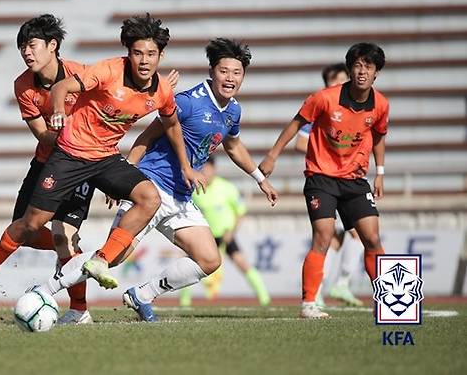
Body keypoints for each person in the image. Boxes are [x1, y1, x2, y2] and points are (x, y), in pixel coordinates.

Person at [35, 38, 278, 322]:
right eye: (224, 71)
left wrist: (259, 178)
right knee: (112, 257)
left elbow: (234, 146)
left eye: (236, 73)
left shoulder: (233, 110)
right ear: (212, 72)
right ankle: (44, 291)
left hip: (181, 197)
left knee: (210, 259)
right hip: (151, 188)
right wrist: (122, 180)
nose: (230, 78)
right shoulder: (187, 101)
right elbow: (146, 137)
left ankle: (142, 295)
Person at [0, 13, 203, 299]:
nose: (144, 60)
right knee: (30, 226)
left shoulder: (158, 89)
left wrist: (185, 166)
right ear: (128, 54)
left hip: (104, 159)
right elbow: (55, 103)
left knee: (146, 199)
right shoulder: (101, 72)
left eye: (151, 54)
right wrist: (58, 113)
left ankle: (98, 266)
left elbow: (170, 123)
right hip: (64, 156)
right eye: (138, 53)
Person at [0, 15, 99, 324]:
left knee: (63, 237)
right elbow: (41, 134)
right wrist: (64, 133)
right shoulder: (23, 85)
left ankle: (79, 310)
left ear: (52, 46)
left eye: (32, 45)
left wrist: (103, 168)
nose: (27, 53)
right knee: (25, 231)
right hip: (46, 162)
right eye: (22, 47)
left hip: (82, 164)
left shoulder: (82, 75)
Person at [259, 43, 388, 319]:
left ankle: (388, 300)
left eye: (369, 66)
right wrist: (272, 156)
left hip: (355, 179)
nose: (362, 71)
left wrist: (380, 172)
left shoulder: (381, 104)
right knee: (323, 237)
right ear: (350, 69)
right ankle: (308, 304)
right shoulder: (324, 98)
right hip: (321, 177)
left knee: (373, 238)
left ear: (376, 73)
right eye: (357, 65)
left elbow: (378, 135)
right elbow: (295, 123)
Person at [295, 63, 364, 308]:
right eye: (335, 82)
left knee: (341, 235)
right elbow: (300, 144)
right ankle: (336, 285)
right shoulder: (319, 109)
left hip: (346, 179)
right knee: (343, 233)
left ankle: (328, 287)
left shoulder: (354, 110)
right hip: (324, 179)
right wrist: (329, 149)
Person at [181, 156, 271, 307]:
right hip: (204, 237)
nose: (205, 172)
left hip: (226, 235)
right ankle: (184, 302)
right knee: (190, 266)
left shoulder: (227, 188)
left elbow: (240, 212)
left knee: (242, 263)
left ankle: (264, 298)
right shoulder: (195, 189)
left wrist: (232, 232)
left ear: (214, 169)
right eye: (202, 169)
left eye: (208, 169)